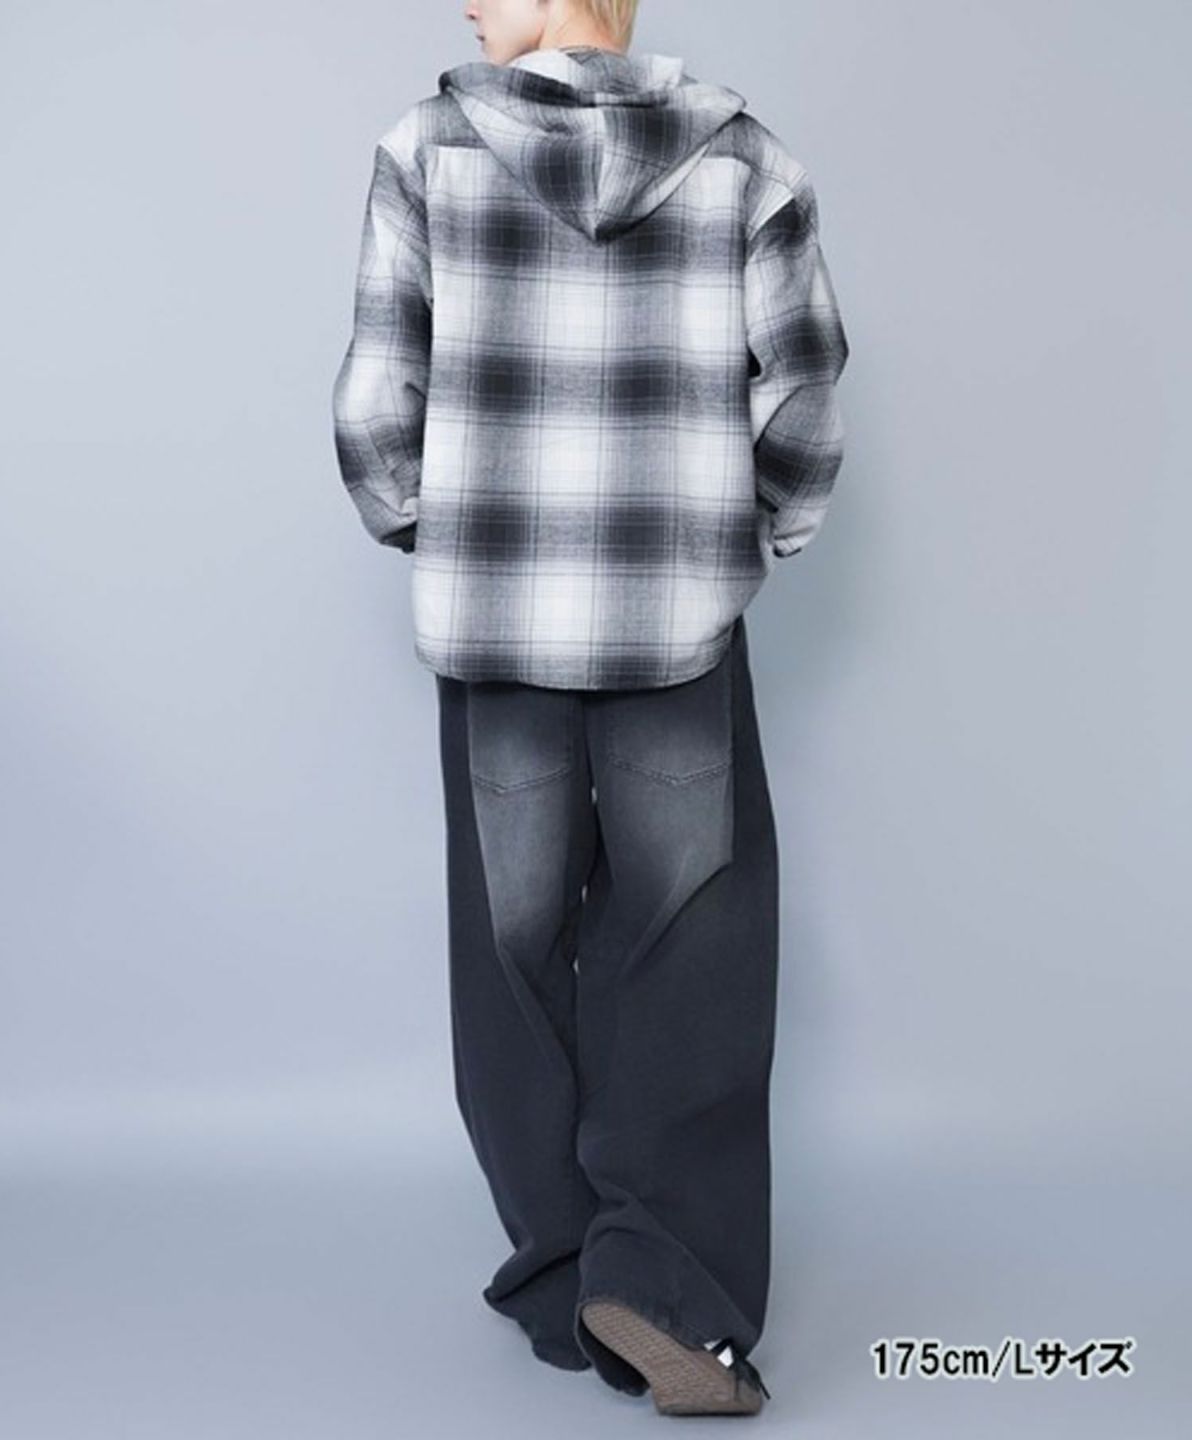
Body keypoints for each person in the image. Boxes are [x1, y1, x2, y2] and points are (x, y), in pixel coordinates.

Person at [331, 0, 848, 1416]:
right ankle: (662, 1285)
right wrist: (748, 538)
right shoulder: (745, 159)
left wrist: (447, 530)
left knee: (512, 952)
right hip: (675, 621)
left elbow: (375, 408)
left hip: (495, 625)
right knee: (689, 943)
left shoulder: (424, 150)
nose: (464, 6)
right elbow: (804, 394)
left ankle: (564, 1272)